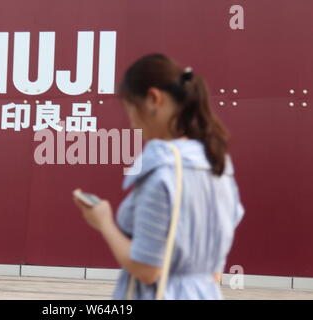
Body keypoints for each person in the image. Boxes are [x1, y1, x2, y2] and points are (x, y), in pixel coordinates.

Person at [73, 53, 245, 300]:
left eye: (131, 110)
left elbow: (147, 270)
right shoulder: (218, 164)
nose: (132, 123)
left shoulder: (163, 172)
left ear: (154, 99)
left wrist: (104, 223)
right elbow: (215, 266)